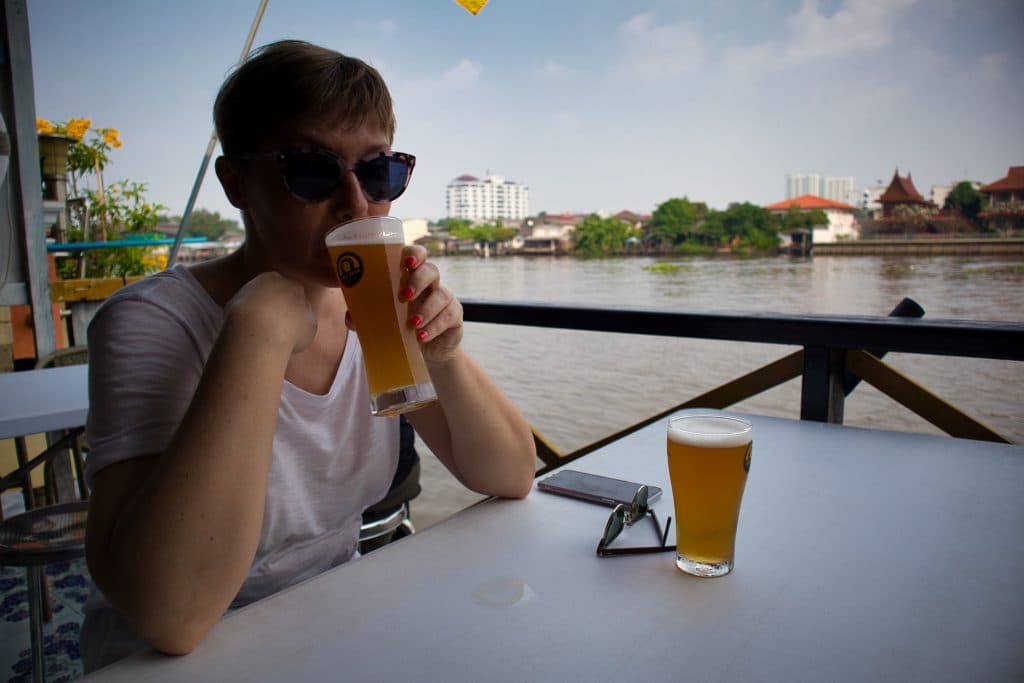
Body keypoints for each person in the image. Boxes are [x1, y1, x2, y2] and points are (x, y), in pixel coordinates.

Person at [80, 39, 536, 670]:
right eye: (313, 171)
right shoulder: (151, 322)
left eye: (379, 171)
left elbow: (511, 474)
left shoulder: (371, 310)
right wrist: (258, 333)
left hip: (334, 627)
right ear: (236, 182)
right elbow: (171, 615)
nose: (356, 203)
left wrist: (447, 355)